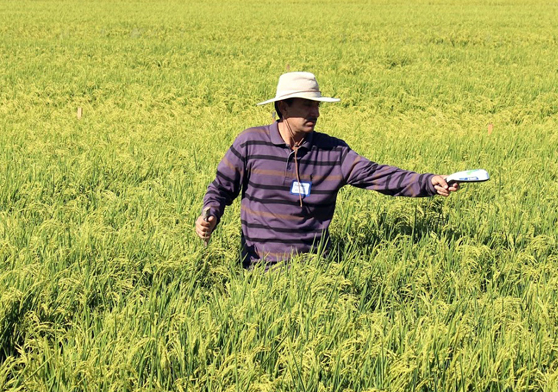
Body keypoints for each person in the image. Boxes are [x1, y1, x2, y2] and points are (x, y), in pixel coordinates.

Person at [195, 71, 461, 266]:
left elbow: (378, 175)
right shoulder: (250, 143)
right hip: (258, 270)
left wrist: (428, 182)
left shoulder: (333, 152)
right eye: (307, 105)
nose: (316, 113)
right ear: (283, 107)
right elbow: (220, 189)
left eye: (317, 105)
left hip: (315, 271)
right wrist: (210, 215)